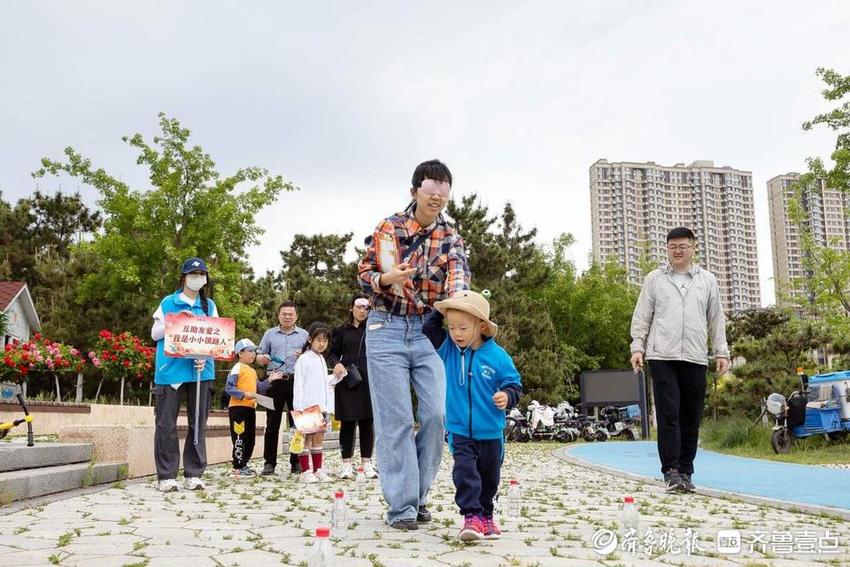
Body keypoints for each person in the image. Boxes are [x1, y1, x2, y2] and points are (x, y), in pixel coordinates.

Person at [359, 159, 470, 530]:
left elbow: (458, 281)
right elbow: (364, 273)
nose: (436, 196)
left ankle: (418, 494)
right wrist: (384, 278)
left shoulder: (452, 237)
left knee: (436, 415)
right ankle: (403, 507)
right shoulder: (389, 227)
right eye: (430, 189)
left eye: (443, 190)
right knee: (396, 422)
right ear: (414, 192)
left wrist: (459, 312)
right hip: (385, 326)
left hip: (429, 330)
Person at [630, 227, 730, 493]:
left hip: (696, 356)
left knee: (691, 416)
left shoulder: (707, 280)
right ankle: (671, 471)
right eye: (672, 246)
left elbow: (716, 319)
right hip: (661, 355)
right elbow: (642, 316)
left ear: (693, 247)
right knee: (669, 414)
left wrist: (721, 351)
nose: (677, 250)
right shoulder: (655, 279)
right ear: (667, 249)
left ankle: (686, 471)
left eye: (683, 246)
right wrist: (637, 347)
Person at [424, 290, 522, 541]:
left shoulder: (498, 356)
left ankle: (486, 516)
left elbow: (514, 385)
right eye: (452, 326)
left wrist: (507, 396)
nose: (456, 333)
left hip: (490, 430)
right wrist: (444, 304)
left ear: (481, 326)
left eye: (463, 328)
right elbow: (429, 327)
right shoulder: (448, 349)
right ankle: (471, 517)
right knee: (465, 472)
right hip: (459, 430)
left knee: (489, 478)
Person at [151, 257, 219, 492]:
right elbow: (154, 333)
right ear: (183, 277)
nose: (197, 278)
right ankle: (167, 475)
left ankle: (194, 473)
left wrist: (206, 354)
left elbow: (215, 335)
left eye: (202, 274)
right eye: (193, 274)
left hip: (201, 370)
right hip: (171, 372)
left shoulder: (209, 305)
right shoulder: (170, 302)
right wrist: (175, 322)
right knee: (166, 423)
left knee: (197, 423)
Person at [328, 295, 377, 480]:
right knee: (347, 423)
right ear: (351, 308)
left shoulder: (374, 329)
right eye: (359, 306)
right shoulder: (341, 330)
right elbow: (333, 353)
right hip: (348, 380)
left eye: (366, 307)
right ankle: (346, 464)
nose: (362, 310)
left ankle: (367, 463)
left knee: (367, 422)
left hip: (369, 381)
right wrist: (337, 364)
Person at [257, 301, 309, 476]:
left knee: (297, 423)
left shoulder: (304, 335)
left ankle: (296, 462)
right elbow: (258, 355)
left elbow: (313, 355)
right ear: (278, 315)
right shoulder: (269, 334)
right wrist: (261, 358)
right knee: (272, 423)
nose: (287, 317)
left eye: (291, 314)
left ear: (296, 316)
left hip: (297, 382)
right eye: (284, 314)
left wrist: (305, 356)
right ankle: (269, 463)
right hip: (275, 381)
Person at [225, 338, 279, 480]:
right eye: (250, 351)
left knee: (250, 439)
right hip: (238, 409)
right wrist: (243, 394)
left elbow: (259, 388)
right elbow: (229, 388)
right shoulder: (237, 368)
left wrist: (270, 380)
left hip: (250, 408)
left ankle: (244, 464)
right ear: (240, 353)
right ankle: (237, 467)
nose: (253, 354)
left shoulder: (252, 371)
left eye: (254, 351)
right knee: (239, 438)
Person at [293, 322, 335, 483]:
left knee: (318, 438)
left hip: (321, 406)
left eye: (325, 341)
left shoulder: (321, 359)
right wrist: (299, 407)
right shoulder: (304, 359)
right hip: (307, 405)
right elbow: (299, 383)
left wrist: (336, 378)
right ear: (310, 340)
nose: (322, 343)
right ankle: (306, 471)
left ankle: (318, 469)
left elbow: (323, 382)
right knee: (307, 438)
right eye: (319, 340)